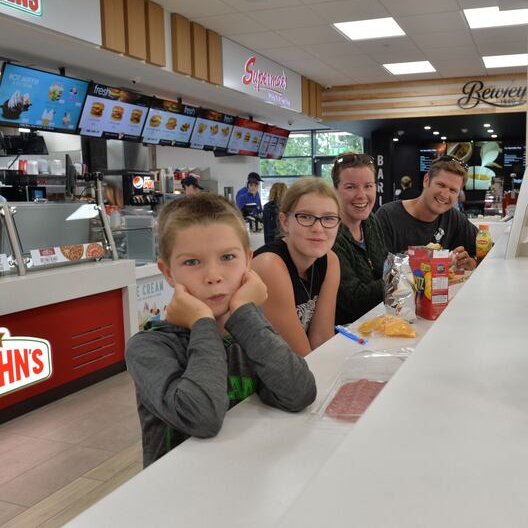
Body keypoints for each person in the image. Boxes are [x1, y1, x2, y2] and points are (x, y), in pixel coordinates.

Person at [125, 193, 316, 467]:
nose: (213, 276)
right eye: (192, 262)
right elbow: (202, 418)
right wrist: (202, 322)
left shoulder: (248, 329)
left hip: (244, 474)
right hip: (178, 486)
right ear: (167, 272)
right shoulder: (148, 348)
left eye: (227, 257)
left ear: (248, 261)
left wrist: (245, 314)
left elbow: (299, 393)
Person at [251, 177, 341, 357]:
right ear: (285, 221)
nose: (318, 228)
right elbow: (299, 356)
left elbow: (321, 337)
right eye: (305, 217)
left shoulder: (330, 261)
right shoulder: (269, 265)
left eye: (328, 218)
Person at [376, 156, 478, 271]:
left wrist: (472, 262)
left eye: (453, 190)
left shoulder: (454, 218)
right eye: (441, 185)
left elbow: (486, 249)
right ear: (426, 181)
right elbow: (378, 269)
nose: (445, 195)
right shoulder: (387, 216)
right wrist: (412, 259)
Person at [330, 153, 389, 325]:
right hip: (347, 332)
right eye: (351, 187)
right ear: (335, 190)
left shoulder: (371, 220)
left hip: (379, 321)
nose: (361, 195)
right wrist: (402, 275)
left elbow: (384, 268)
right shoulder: (329, 233)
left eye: (368, 186)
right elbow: (356, 300)